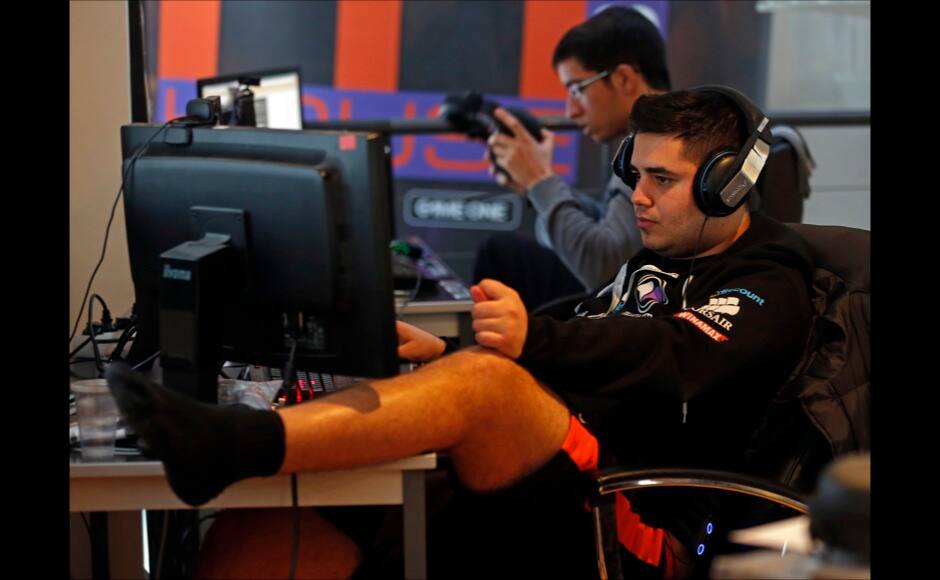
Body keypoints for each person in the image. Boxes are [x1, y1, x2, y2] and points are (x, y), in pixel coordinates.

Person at [106, 88, 814, 578]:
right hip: (556, 463)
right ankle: (239, 451)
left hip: (639, 521)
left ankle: (239, 445)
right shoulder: (659, 258)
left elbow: (669, 355)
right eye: (636, 173)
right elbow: (587, 334)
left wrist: (523, 343)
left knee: (487, 380)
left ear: (727, 185)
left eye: (663, 179)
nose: (638, 195)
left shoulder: (768, 284)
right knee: (311, 498)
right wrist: (444, 353)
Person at [474, 6, 671, 310]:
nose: (571, 110)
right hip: (635, 288)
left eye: (577, 89)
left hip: (642, 302)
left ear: (624, 79)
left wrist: (540, 181)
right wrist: (535, 188)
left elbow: (606, 268)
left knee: (501, 257)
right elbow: (609, 230)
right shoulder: (652, 135)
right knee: (504, 254)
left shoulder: (658, 145)